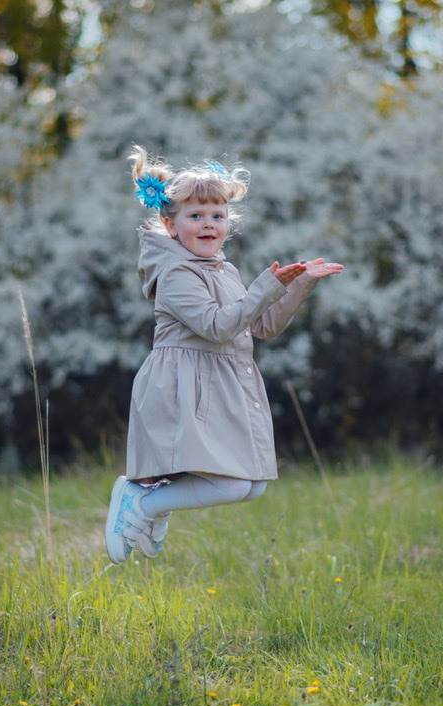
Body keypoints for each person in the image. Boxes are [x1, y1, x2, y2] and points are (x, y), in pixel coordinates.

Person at [104, 145, 344, 563]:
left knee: (253, 484)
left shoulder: (223, 269)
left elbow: (262, 326)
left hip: (222, 381)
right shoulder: (176, 273)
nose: (209, 224)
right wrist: (265, 286)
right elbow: (218, 326)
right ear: (170, 224)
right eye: (195, 216)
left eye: (217, 215)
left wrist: (299, 284)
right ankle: (140, 503)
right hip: (185, 383)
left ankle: (153, 503)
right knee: (232, 483)